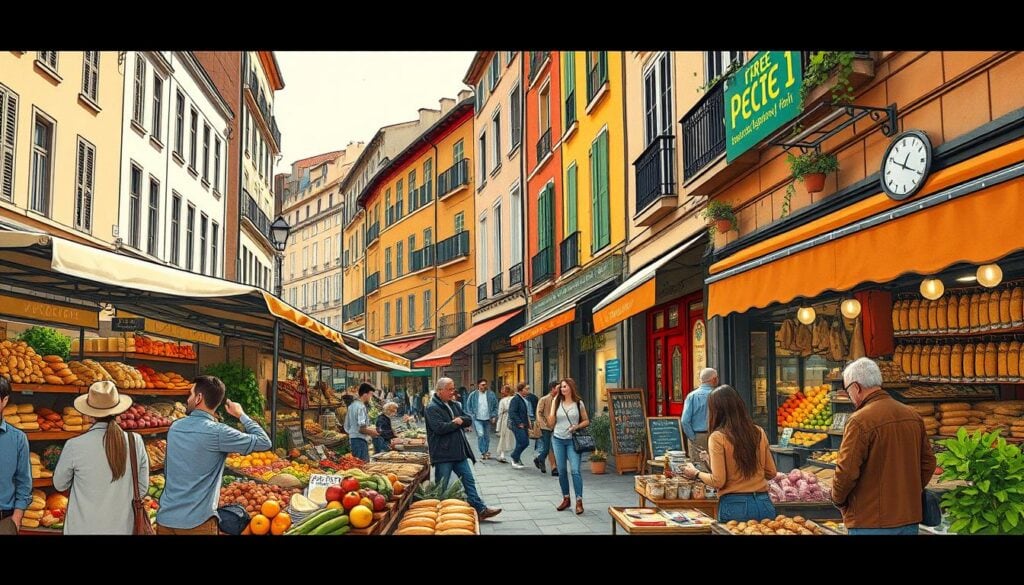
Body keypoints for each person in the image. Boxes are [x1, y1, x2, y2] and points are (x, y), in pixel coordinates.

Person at [832, 358, 936, 535]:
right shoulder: (912, 415)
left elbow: (846, 472)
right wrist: (909, 492)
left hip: (870, 521)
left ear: (856, 387)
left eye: (848, 390)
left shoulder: (860, 420)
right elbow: (928, 463)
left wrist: (838, 500)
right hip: (908, 519)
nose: (849, 396)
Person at [157, 375, 272, 534]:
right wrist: (241, 415)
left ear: (198, 398)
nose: (187, 399)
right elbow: (264, 442)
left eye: (190, 394)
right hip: (197, 523)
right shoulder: (219, 432)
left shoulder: (175, 428)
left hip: (165, 520)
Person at [52, 381, 149, 534]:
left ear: (90, 415)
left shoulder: (74, 445)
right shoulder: (135, 441)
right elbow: (142, 489)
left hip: (82, 528)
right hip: (122, 528)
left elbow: (60, 485)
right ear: (118, 411)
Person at [680, 385, 777, 522]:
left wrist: (696, 473)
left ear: (716, 411)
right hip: (763, 503)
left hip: (735, 505)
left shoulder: (718, 437)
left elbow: (718, 481)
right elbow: (771, 472)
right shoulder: (758, 431)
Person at [424, 377, 501, 520]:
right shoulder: (431, 408)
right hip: (443, 454)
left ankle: (480, 509)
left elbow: (468, 419)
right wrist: (456, 423)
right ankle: (436, 516)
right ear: (440, 390)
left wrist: (459, 421)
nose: (453, 392)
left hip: (459, 452)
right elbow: (439, 428)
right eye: (450, 389)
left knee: (469, 481)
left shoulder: (454, 404)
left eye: (453, 388)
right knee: (442, 487)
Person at [546, 378, 589, 515]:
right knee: (562, 471)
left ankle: (579, 501)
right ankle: (566, 498)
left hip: (572, 440)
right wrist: (553, 406)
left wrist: (576, 426)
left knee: (575, 470)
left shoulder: (578, 403)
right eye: (561, 387)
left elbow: (587, 420)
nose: (562, 389)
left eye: (565, 387)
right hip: (558, 439)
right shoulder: (556, 401)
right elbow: (551, 423)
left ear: (571, 387)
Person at [0, 377, 31, 535]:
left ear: (4, 400)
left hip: (5, 521)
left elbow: (24, 482)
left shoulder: (18, 439)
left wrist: (17, 518)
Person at [681, 368, 717, 459]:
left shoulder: (692, 396)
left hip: (698, 435)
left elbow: (685, 420)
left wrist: (692, 437)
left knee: (698, 467)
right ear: (714, 379)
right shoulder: (718, 395)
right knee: (716, 465)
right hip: (715, 434)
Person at [345, 383, 380, 461]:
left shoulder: (352, 405)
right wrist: (373, 433)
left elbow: (347, 426)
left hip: (353, 440)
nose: (371, 397)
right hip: (360, 441)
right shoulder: (361, 407)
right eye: (370, 395)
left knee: (357, 464)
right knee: (363, 465)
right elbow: (362, 429)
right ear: (365, 394)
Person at [465, 379, 498, 459]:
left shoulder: (491, 394)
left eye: (485, 384)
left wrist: (494, 416)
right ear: (478, 385)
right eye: (483, 385)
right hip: (477, 419)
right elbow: (468, 406)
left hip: (487, 419)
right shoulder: (473, 395)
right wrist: (472, 415)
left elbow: (496, 406)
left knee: (487, 436)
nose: (484, 386)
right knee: (481, 434)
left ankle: (486, 451)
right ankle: (483, 452)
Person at [533, 381, 560, 476]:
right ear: (552, 389)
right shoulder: (544, 399)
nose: (559, 389)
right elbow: (539, 413)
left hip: (557, 427)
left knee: (552, 447)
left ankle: (540, 460)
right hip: (546, 427)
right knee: (547, 447)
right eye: (558, 387)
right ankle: (541, 460)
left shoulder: (559, 399)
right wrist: (544, 424)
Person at [508, 383, 532, 469]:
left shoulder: (524, 399)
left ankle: (516, 459)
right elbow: (512, 412)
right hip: (517, 425)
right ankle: (514, 456)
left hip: (524, 424)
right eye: (526, 389)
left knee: (520, 442)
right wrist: (519, 423)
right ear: (521, 390)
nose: (528, 391)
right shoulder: (516, 399)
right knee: (524, 442)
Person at [494, 386, 515, 463]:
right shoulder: (514, 399)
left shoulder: (503, 401)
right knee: (513, 437)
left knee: (503, 436)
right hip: (514, 420)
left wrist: (498, 427)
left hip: (505, 419)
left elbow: (500, 413)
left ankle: (502, 454)